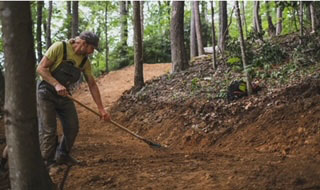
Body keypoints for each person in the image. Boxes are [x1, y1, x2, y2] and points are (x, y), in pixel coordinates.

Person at [36, 31, 111, 169]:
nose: (92, 52)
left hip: (65, 95)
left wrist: (101, 109)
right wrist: (56, 84)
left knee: (72, 126)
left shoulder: (84, 61)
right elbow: (41, 68)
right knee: (49, 130)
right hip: (46, 92)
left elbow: (92, 84)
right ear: (83, 43)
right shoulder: (60, 47)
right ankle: (47, 163)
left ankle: (62, 155)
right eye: (92, 48)